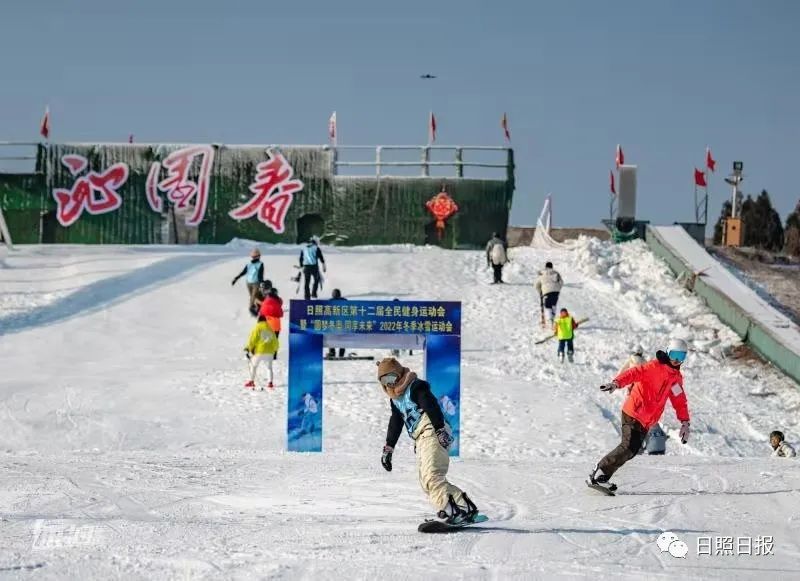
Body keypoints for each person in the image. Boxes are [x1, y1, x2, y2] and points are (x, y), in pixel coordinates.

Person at [377, 357, 479, 524]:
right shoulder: (395, 399)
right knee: (427, 482)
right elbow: (396, 422)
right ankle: (463, 507)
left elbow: (430, 405)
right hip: (421, 437)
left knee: (432, 476)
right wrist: (389, 448)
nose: (390, 384)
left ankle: (451, 510)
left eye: (392, 378)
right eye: (385, 381)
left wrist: (439, 429)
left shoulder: (415, 386)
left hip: (432, 429)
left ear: (400, 374)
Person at [589, 338, 691, 491]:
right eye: (675, 354)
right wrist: (616, 383)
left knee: (632, 450)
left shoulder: (675, 378)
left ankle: (602, 475)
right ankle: (599, 473)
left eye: (681, 356)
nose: (677, 360)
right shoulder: (654, 367)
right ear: (668, 352)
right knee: (628, 447)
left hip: (646, 420)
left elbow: (679, 400)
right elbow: (633, 373)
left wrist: (685, 422)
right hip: (633, 411)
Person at [243, 315, 279, 390]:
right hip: (269, 352)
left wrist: (248, 348)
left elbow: (253, 339)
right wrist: (275, 350)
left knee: (253, 366)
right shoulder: (270, 328)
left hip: (260, 351)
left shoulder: (258, 327)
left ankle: (251, 381)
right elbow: (275, 341)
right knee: (269, 368)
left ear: (258, 320)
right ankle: (270, 383)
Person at [232, 248, 265, 312]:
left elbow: (260, 275)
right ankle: (259, 305)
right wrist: (236, 278)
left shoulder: (260, 264)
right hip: (248, 283)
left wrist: (261, 282)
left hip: (256, 283)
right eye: (257, 256)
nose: (258, 257)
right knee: (253, 296)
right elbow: (243, 272)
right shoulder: (249, 264)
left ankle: (251, 308)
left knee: (253, 296)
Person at [534, 262, 564, 326]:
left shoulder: (542, 274)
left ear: (546, 267)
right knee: (553, 304)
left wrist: (540, 291)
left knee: (548, 306)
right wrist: (557, 289)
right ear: (552, 267)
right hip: (556, 292)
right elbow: (561, 282)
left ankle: (551, 322)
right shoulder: (556, 273)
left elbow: (536, 285)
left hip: (547, 292)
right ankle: (553, 318)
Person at [258, 286, 284, 360]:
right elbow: (281, 314)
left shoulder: (265, 302)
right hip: (276, 325)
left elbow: (261, 313)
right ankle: (274, 356)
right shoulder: (278, 302)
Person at [327, 288, 346, 359]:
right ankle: (340, 354)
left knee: (332, 339)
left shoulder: (330, 301)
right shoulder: (344, 301)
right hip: (341, 324)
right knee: (342, 340)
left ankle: (333, 353)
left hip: (336, 324)